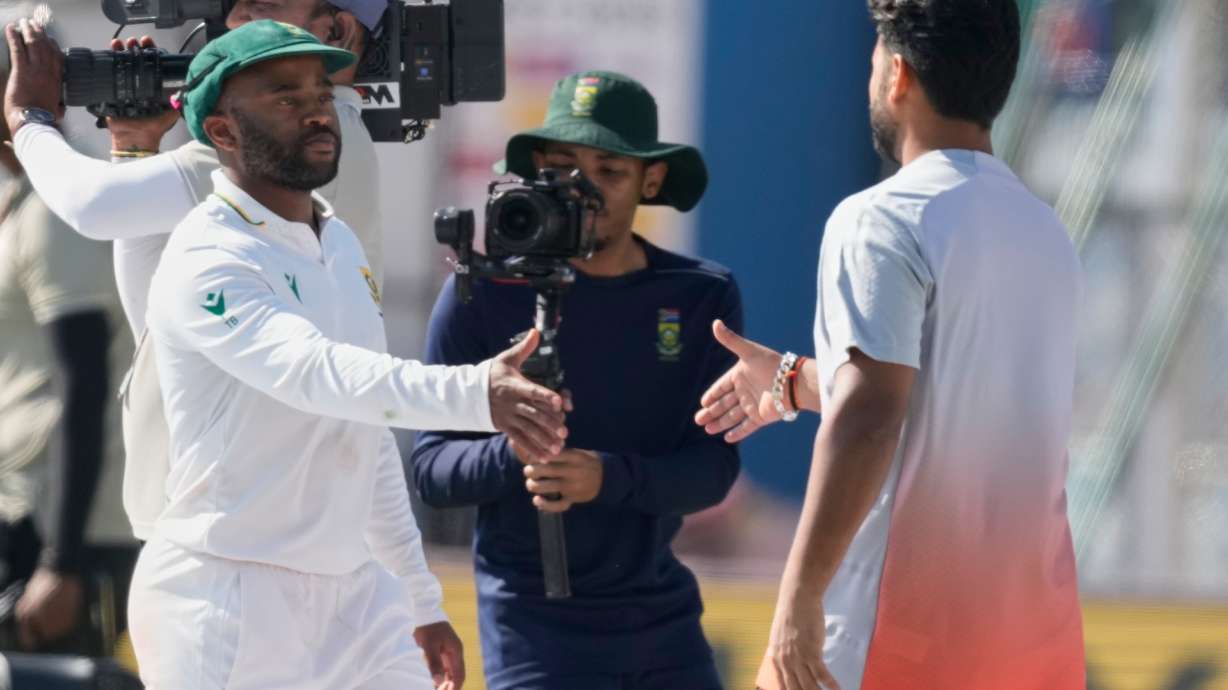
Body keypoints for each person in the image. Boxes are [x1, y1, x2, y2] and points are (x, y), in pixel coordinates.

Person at [7, 19, 568, 690]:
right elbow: (314, 374)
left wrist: (418, 599)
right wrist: (475, 394)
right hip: (224, 593)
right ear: (221, 134)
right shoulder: (209, 255)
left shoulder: (337, 244)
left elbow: (362, 426)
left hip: (355, 595)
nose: (314, 108)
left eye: (318, 90)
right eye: (282, 95)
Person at [695, 1, 1085, 689]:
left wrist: (798, 600)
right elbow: (948, 396)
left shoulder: (882, 218)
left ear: (898, 75)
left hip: (894, 642)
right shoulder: (1045, 232)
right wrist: (794, 380)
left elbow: (872, 414)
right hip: (1035, 648)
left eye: (876, 58)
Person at [3, 0, 390, 545]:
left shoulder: (286, 143)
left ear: (337, 29)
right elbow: (153, 320)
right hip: (245, 510)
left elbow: (91, 206)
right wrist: (134, 150)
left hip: (244, 523)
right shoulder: (330, 135)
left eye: (267, 6)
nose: (236, 18)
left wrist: (29, 119)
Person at [412, 71, 741, 690]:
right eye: (563, 168)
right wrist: (512, 450)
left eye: (609, 171)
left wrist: (607, 477)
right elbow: (430, 469)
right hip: (531, 629)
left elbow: (713, 469)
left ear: (652, 179)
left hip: (664, 622)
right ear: (536, 168)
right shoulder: (484, 291)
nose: (584, 190)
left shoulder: (699, 295)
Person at [0, 71, 136, 656]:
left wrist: (62, 561)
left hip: (64, 530)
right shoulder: (23, 198)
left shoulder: (59, 205)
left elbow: (84, 381)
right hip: (28, 506)